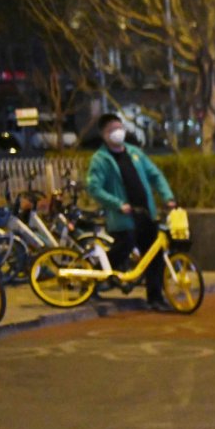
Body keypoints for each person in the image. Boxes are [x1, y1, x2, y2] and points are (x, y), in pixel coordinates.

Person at [85, 113, 176, 310]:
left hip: (145, 213)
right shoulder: (101, 160)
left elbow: (155, 175)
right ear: (103, 134)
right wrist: (117, 204)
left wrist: (167, 197)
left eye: (119, 128)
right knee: (121, 250)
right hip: (123, 217)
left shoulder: (135, 153)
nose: (117, 133)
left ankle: (155, 298)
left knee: (154, 256)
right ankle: (93, 279)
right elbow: (94, 188)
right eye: (111, 130)